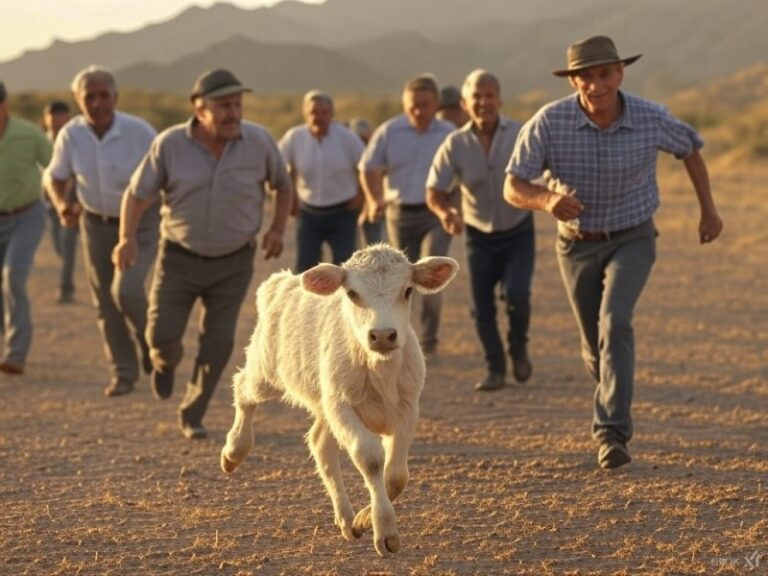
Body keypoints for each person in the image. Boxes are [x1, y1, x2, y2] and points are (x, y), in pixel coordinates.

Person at [504, 36, 723, 469]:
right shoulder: (548, 123)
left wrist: (709, 212)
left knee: (615, 322)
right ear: (574, 82)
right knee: (594, 344)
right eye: (586, 76)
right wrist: (547, 201)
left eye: (605, 73)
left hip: (634, 236)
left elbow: (691, 150)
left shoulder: (650, 116)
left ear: (620, 73)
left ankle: (612, 434)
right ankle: (612, 389)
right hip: (577, 244)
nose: (597, 84)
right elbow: (513, 185)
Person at [112, 69, 292, 440]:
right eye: (223, 105)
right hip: (179, 257)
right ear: (199, 108)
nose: (233, 112)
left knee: (219, 341)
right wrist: (126, 237)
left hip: (234, 261)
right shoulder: (170, 144)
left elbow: (283, 184)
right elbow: (137, 193)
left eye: (237, 104)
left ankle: (192, 412)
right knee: (161, 334)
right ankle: (163, 362)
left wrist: (276, 229)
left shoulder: (259, 141)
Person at [46, 66, 159, 397]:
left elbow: (162, 177)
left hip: (142, 221)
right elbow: (55, 176)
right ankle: (124, 372)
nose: (97, 103)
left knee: (127, 290)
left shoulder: (140, 132)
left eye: (103, 95)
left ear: (116, 97)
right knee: (104, 301)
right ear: (78, 101)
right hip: (95, 222)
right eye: (89, 97)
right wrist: (62, 205)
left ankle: (151, 344)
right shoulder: (71, 135)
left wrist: (135, 224)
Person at [427, 69, 534, 392]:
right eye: (477, 96)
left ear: (499, 100)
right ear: (464, 103)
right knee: (481, 306)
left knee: (517, 294)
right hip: (478, 234)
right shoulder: (454, 144)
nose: (484, 102)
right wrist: (446, 212)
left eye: (489, 96)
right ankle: (495, 367)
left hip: (518, 229)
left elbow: (546, 171)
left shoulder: (520, 133)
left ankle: (518, 347)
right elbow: (434, 189)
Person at [359, 74, 454, 355]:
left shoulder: (449, 133)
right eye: (413, 105)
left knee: (430, 272)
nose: (418, 111)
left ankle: (429, 339)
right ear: (405, 103)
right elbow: (368, 167)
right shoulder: (390, 131)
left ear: (436, 103)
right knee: (399, 281)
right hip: (399, 214)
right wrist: (374, 198)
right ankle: (400, 334)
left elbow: (462, 173)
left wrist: (455, 207)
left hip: (436, 213)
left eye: (425, 105)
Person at [279, 91, 364, 272]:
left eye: (324, 112)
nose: (319, 117)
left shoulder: (347, 138)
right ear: (305, 114)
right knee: (306, 268)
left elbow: (366, 167)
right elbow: (282, 168)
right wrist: (290, 197)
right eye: (314, 112)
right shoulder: (294, 137)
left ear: (332, 114)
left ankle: (343, 301)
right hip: (308, 212)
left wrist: (362, 195)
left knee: (346, 268)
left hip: (343, 211)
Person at [0, 81, 52, 375]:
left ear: (4, 106)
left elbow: (56, 166)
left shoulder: (27, 134)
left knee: (13, 278)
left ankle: (16, 352)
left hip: (26, 215)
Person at [42, 100, 79, 304]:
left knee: (67, 243)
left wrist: (70, 199)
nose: (55, 121)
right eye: (52, 117)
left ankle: (66, 288)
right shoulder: (42, 141)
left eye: (60, 116)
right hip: (49, 204)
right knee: (60, 246)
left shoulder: (74, 140)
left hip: (71, 203)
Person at [347, 117, 384, 246]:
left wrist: (368, 205)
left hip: (372, 205)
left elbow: (377, 181)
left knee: (373, 240)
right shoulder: (351, 152)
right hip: (351, 204)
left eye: (364, 138)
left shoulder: (375, 155)